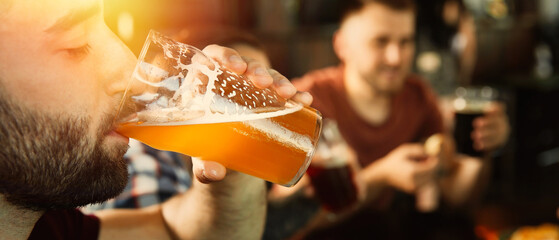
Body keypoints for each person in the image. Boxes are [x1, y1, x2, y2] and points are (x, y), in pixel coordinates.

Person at [0, 0, 312, 239]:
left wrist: (234, 166)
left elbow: (183, 234)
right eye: (77, 43)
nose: (127, 70)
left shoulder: (50, 227)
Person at [290, 0, 510, 239]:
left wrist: (481, 143)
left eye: (405, 41)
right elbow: (289, 222)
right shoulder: (305, 102)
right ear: (342, 45)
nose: (395, 58)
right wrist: (383, 176)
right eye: (380, 42)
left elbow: (456, 195)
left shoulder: (418, 97)